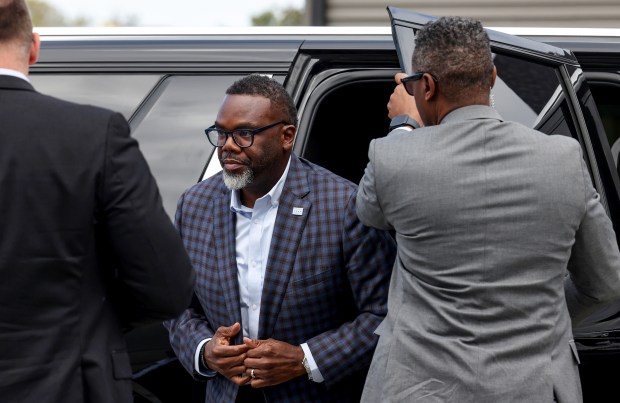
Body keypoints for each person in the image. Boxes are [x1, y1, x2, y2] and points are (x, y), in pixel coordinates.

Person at [356, 16, 620, 403]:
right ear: (493, 76)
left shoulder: (392, 154)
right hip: (535, 388)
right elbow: (606, 283)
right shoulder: (562, 157)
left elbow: (369, 213)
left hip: (417, 389)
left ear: (425, 86)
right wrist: (537, 318)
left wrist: (403, 125)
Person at [0, 1, 195, 402]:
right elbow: (166, 287)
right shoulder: (92, 134)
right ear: (34, 46)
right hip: (67, 383)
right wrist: (92, 320)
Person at [165, 73, 396, 403]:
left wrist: (305, 359)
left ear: (287, 136)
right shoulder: (195, 205)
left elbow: (385, 314)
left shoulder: (344, 206)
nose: (228, 146)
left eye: (244, 134)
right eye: (221, 133)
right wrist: (205, 351)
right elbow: (175, 304)